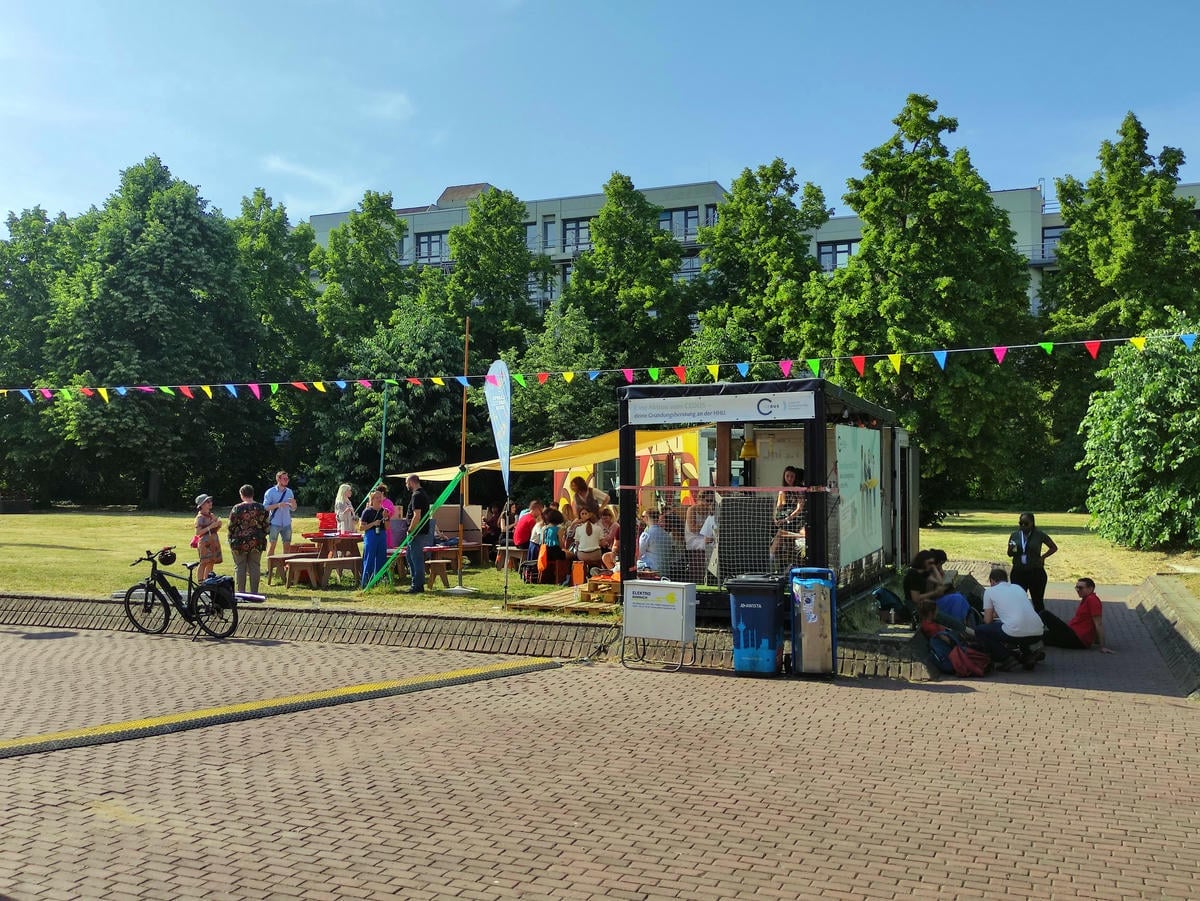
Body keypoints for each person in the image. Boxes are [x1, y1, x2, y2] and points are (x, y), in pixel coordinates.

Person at [978, 567, 1045, 668]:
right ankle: (1027, 655)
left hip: (1016, 631)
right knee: (1018, 627)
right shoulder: (1018, 588)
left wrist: (989, 615)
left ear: (992, 581)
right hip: (1038, 632)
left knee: (981, 630)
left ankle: (1006, 657)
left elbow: (987, 621)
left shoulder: (989, 591)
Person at [1040, 577, 1115, 652]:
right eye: (1077, 588)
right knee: (1040, 636)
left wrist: (1102, 646)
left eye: (1081, 588)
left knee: (1045, 614)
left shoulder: (1092, 600)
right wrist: (1096, 640)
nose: (1078, 590)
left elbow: (1098, 624)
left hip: (1077, 638)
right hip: (1074, 637)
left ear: (1090, 588)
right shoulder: (1086, 599)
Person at [1007, 512, 1058, 612]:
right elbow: (1010, 554)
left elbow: (1053, 547)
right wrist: (1012, 549)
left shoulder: (1039, 535)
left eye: (1026, 524)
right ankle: (1020, 620)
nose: (1023, 526)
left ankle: (1040, 620)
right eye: (1020, 523)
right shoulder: (1015, 535)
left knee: (1037, 602)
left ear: (1032, 523)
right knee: (1018, 601)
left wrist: (1043, 557)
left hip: (1036, 572)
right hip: (1018, 572)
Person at [227, 485, 269, 595]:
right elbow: (266, 525)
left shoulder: (237, 508)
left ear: (242, 495)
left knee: (240, 566)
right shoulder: (261, 508)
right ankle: (254, 592)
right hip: (257, 541)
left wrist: (230, 537)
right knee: (255, 566)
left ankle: (241, 592)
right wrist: (262, 535)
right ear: (252, 494)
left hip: (239, 541)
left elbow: (231, 526)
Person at [405, 475, 434, 594]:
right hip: (419, 531)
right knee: (409, 556)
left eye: (407, 483)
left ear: (412, 482)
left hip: (416, 532)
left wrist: (410, 530)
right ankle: (415, 582)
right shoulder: (423, 493)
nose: (406, 485)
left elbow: (417, 515)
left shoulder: (416, 495)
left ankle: (418, 585)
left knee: (416, 559)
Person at [359, 488, 389, 587]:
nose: (379, 499)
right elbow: (361, 527)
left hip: (381, 535)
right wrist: (373, 524)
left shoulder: (384, 511)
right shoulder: (367, 511)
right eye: (377, 497)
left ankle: (381, 582)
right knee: (369, 558)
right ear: (372, 499)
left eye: (380, 497)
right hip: (371, 536)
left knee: (381, 559)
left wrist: (386, 517)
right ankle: (367, 583)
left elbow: (387, 527)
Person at [264, 470, 297, 556]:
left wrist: (294, 504)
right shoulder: (270, 492)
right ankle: (270, 564)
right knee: (272, 546)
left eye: (287, 479)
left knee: (287, 547)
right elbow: (265, 507)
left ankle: (284, 564)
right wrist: (278, 505)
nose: (287, 480)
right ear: (278, 479)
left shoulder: (289, 492)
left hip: (287, 523)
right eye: (284, 479)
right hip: (274, 523)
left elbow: (293, 509)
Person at [193, 494, 223, 583]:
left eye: (210, 501)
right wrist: (211, 526)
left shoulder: (211, 515)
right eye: (207, 502)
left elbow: (214, 529)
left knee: (211, 562)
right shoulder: (200, 517)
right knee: (203, 562)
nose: (210, 503)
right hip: (205, 543)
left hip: (213, 541)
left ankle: (207, 582)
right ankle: (200, 583)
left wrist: (218, 525)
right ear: (201, 505)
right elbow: (198, 533)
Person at [636, 508, 675, 573]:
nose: (643, 519)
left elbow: (639, 553)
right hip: (665, 569)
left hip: (651, 569)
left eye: (643, 517)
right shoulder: (666, 534)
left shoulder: (647, 534)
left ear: (647, 518)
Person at [377, 483, 398, 549]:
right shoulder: (376, 501)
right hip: (376, 527)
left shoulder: (388, 502)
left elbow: (391, 512)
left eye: (377, 492)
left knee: (385, 547)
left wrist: (385, 511)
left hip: (385, 528)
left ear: (382, 493)